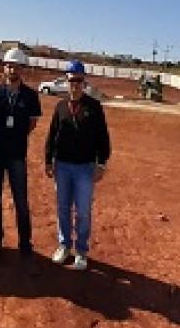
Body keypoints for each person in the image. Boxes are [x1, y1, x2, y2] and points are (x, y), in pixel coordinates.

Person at [44, 59, 111, 270]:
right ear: (66, 80)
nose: (75, 84)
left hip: (84, 167)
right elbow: (52, 134)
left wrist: (102, 163)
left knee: (82, 211)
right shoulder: (61, 106)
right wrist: (48, 160)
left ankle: (81, 251)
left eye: (79, 81)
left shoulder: (94, 107)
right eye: (72, 80)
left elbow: (103, 138)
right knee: (63, 209)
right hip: (62, 166)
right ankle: (64, 246)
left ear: (84, 82)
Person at [0, 48, 42, 265]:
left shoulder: (31, 97)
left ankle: (25, 246)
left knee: (21, 202)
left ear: (22, 69)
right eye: (9, 65)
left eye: (16, 66)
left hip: (17, 154)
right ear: (4, 68)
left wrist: (15, 136)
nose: (12, 69)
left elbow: (31, 125)